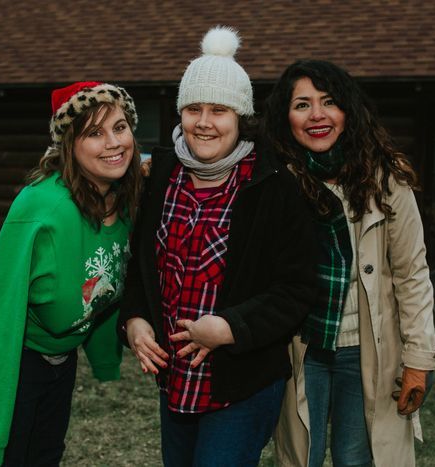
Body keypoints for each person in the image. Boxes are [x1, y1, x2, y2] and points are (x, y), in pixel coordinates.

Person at [118, 27, 316, 467]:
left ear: (241, 116)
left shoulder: (275, 185)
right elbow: (141, 268)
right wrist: (134, 320)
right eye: (193, 108)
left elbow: (298, 288)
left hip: (241, 379)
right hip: (176, 378)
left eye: (219, 110)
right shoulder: (161, 176)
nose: (204, 122)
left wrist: (230, 328)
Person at [0, 81, 142, 466]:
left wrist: (105, 357)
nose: (114, 143)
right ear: (69, 144)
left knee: (47, 453)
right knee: (8, 454)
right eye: (94, 133)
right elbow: (2, 312)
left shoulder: (128, 193)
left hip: (58, 344)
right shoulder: (41, 209)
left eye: (120, 127)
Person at [265, 60, 435, 467]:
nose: (317, 116)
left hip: (365, 351)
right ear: (285, 116)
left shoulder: (386, 179)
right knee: (298, 458)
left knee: (355, 460)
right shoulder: (274, 179)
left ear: (348, 110)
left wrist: (418, 360)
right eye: (302, 104)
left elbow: (412, 274)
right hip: (299, 349)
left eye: (329, 102)